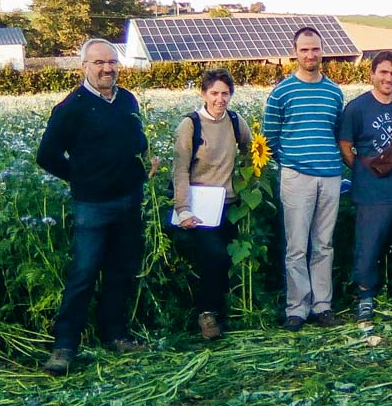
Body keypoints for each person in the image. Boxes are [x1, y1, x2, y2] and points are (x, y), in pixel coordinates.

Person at [36, 38, 158, 375]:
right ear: (84, 68)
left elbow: (137, 142)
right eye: (99, 63)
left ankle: (115, 335)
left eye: (112, 62)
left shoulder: (127, 100)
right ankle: (64, 346)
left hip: (129, 201)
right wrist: (81, 179)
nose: (107, 68)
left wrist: (146, 162)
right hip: (92, 205)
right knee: (83, 273)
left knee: (121, 270)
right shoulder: (71, 108)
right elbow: (46, 156)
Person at [264, 27, 345, 331]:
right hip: (296, 176)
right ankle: (297, 308)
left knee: (324, 244)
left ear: (322, 51)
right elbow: (269, 138)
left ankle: (322, 305)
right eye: (304, 50)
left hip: (330, 176)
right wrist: (291, 163)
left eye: (315, 49)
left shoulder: (334, 92)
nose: (310, 55)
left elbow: (338, 132)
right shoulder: (282, 92)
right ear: (294, 53)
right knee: (296, 246)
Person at [339, 51, 392, 322]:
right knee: (368, 244)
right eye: (383, 72)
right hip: (370, 192)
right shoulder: (356, 107)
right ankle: (366, 297)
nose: (389, 78)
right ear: (372, 74)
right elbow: (345, 145)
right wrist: (366, 169)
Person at [172, 68, 253, 338]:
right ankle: (207, 315)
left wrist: (248, 182)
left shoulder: (234, 120)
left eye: (225, 93)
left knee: (227, 259)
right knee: (214, 257)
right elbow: (180, 169)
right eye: (214, 93)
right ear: (203, 93)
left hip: (230, 203)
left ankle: (220, 314)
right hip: (200, 206)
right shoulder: (191, 125)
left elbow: (250, 151)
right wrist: (183, 208)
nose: (220, 99)